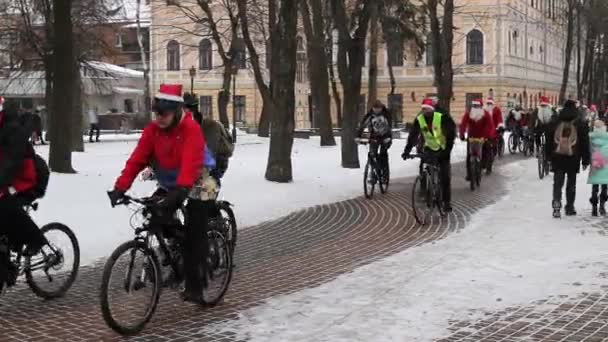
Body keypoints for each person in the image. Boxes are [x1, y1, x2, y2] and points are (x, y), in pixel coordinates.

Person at [108, 84, 209, 304]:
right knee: (156, 211)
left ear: (176, 111)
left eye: (164, 113)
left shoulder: (191, 129)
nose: (159, 118)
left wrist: (182, 190)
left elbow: (192, 162)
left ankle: (196, 283)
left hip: (199, 178)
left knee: (195, 228)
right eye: (156, 113)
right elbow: (137, 160)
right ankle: (176, 248)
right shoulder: (152, 131)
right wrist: (120, 187)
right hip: (172, 181)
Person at [0, 101, 47, 292]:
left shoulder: (13, 130)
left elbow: (13, 162)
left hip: (28, 180)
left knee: (5, 206)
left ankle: (36, 239)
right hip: (8, 179)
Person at [402, 98, 456, 212]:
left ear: (432, 109)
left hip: (443, 149)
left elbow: (451, 134)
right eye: (423, 109)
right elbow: (413, 135)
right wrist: (407, 150)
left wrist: (447, 150)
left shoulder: (442, 117)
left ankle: (446, 202)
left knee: (445, 176)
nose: (425, 111)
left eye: (427, 109)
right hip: (429, 148)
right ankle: (425, 190)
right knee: (423, 167)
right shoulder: (420, 119)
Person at [545, 99, 591, 218]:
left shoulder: (555, 121)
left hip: (557, 156)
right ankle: (569, 207)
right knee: (571, 183)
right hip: (573, 157)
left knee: (557, 182)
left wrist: (548, 155)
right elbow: (585, 142)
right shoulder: (579, 122)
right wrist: (586, 159)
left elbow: (548, 139)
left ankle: (556, 205)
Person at [460, 99, 495, 178]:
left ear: (481, 107)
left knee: (486, 151)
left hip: (483, 136)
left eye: (477, 106)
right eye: (474, 106)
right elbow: (463, 124)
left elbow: (490, 125)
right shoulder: (468, 114)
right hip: (471, 137)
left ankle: (485, 166)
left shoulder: (485, 114)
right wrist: (462, 134)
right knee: (469, 155)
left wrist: (488, 136)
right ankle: (469, 174)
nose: (476, 108)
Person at [356, 100, 393, 175]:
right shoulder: (370, 115)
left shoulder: (386, 115)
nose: (376, 110)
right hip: (374, 137)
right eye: (375, 109)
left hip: (385, 136)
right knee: (372, 154)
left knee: (383, 154)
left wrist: (389, 137)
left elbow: (389, 127)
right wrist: (358, 136)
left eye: (378, 108)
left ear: (381, 108)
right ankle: (373, 171)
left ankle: (384, 171)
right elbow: (362, 126)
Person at [588, 119, 608, 216]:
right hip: (605, 164)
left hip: (595, 164)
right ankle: (602, 206)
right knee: (604, 186)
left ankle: (594, 207)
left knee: (595, 187)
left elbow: (588, 151)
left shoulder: (591, 137)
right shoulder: (607, 137)